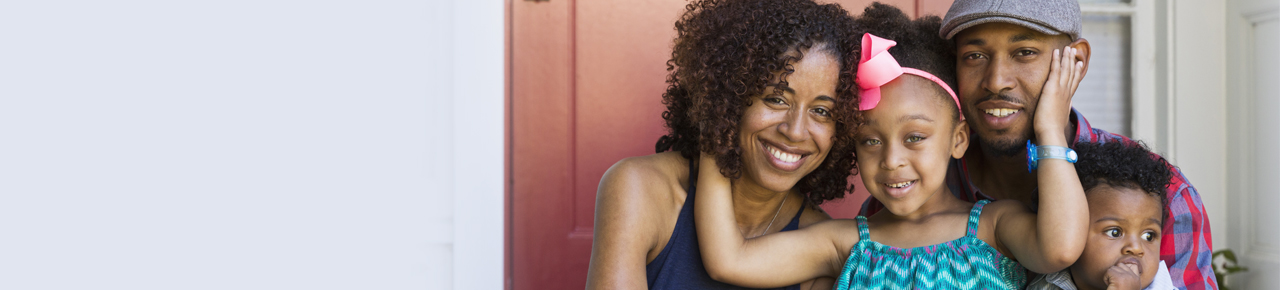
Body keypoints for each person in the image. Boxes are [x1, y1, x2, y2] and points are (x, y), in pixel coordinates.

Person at [692, 4, 1088, 289]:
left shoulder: (995, 226)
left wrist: (1049, 128)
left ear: (958, 139)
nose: (892, 160)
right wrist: (719, 122)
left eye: (915, 138)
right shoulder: (842, 242)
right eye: (870, 141)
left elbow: (1059, 249)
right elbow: (729, 261)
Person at [862, 1, 1218, 288]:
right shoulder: (911, 187)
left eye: (1025, 53)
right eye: (975, 56)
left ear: (1075, 61)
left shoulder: (1159, 196)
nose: (996, 81)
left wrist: (1049, 130)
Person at [584, 0, 860, 289]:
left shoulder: (822, 250)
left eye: (822, 111)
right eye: (776, 99)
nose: (795, 131)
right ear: (729, 96)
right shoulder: (640, 190)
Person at [1027, 141, 1179, 290]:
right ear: (1072, 230)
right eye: (1115, 232)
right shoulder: (1046, 282)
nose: (1135, 247)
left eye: (1149, 236)